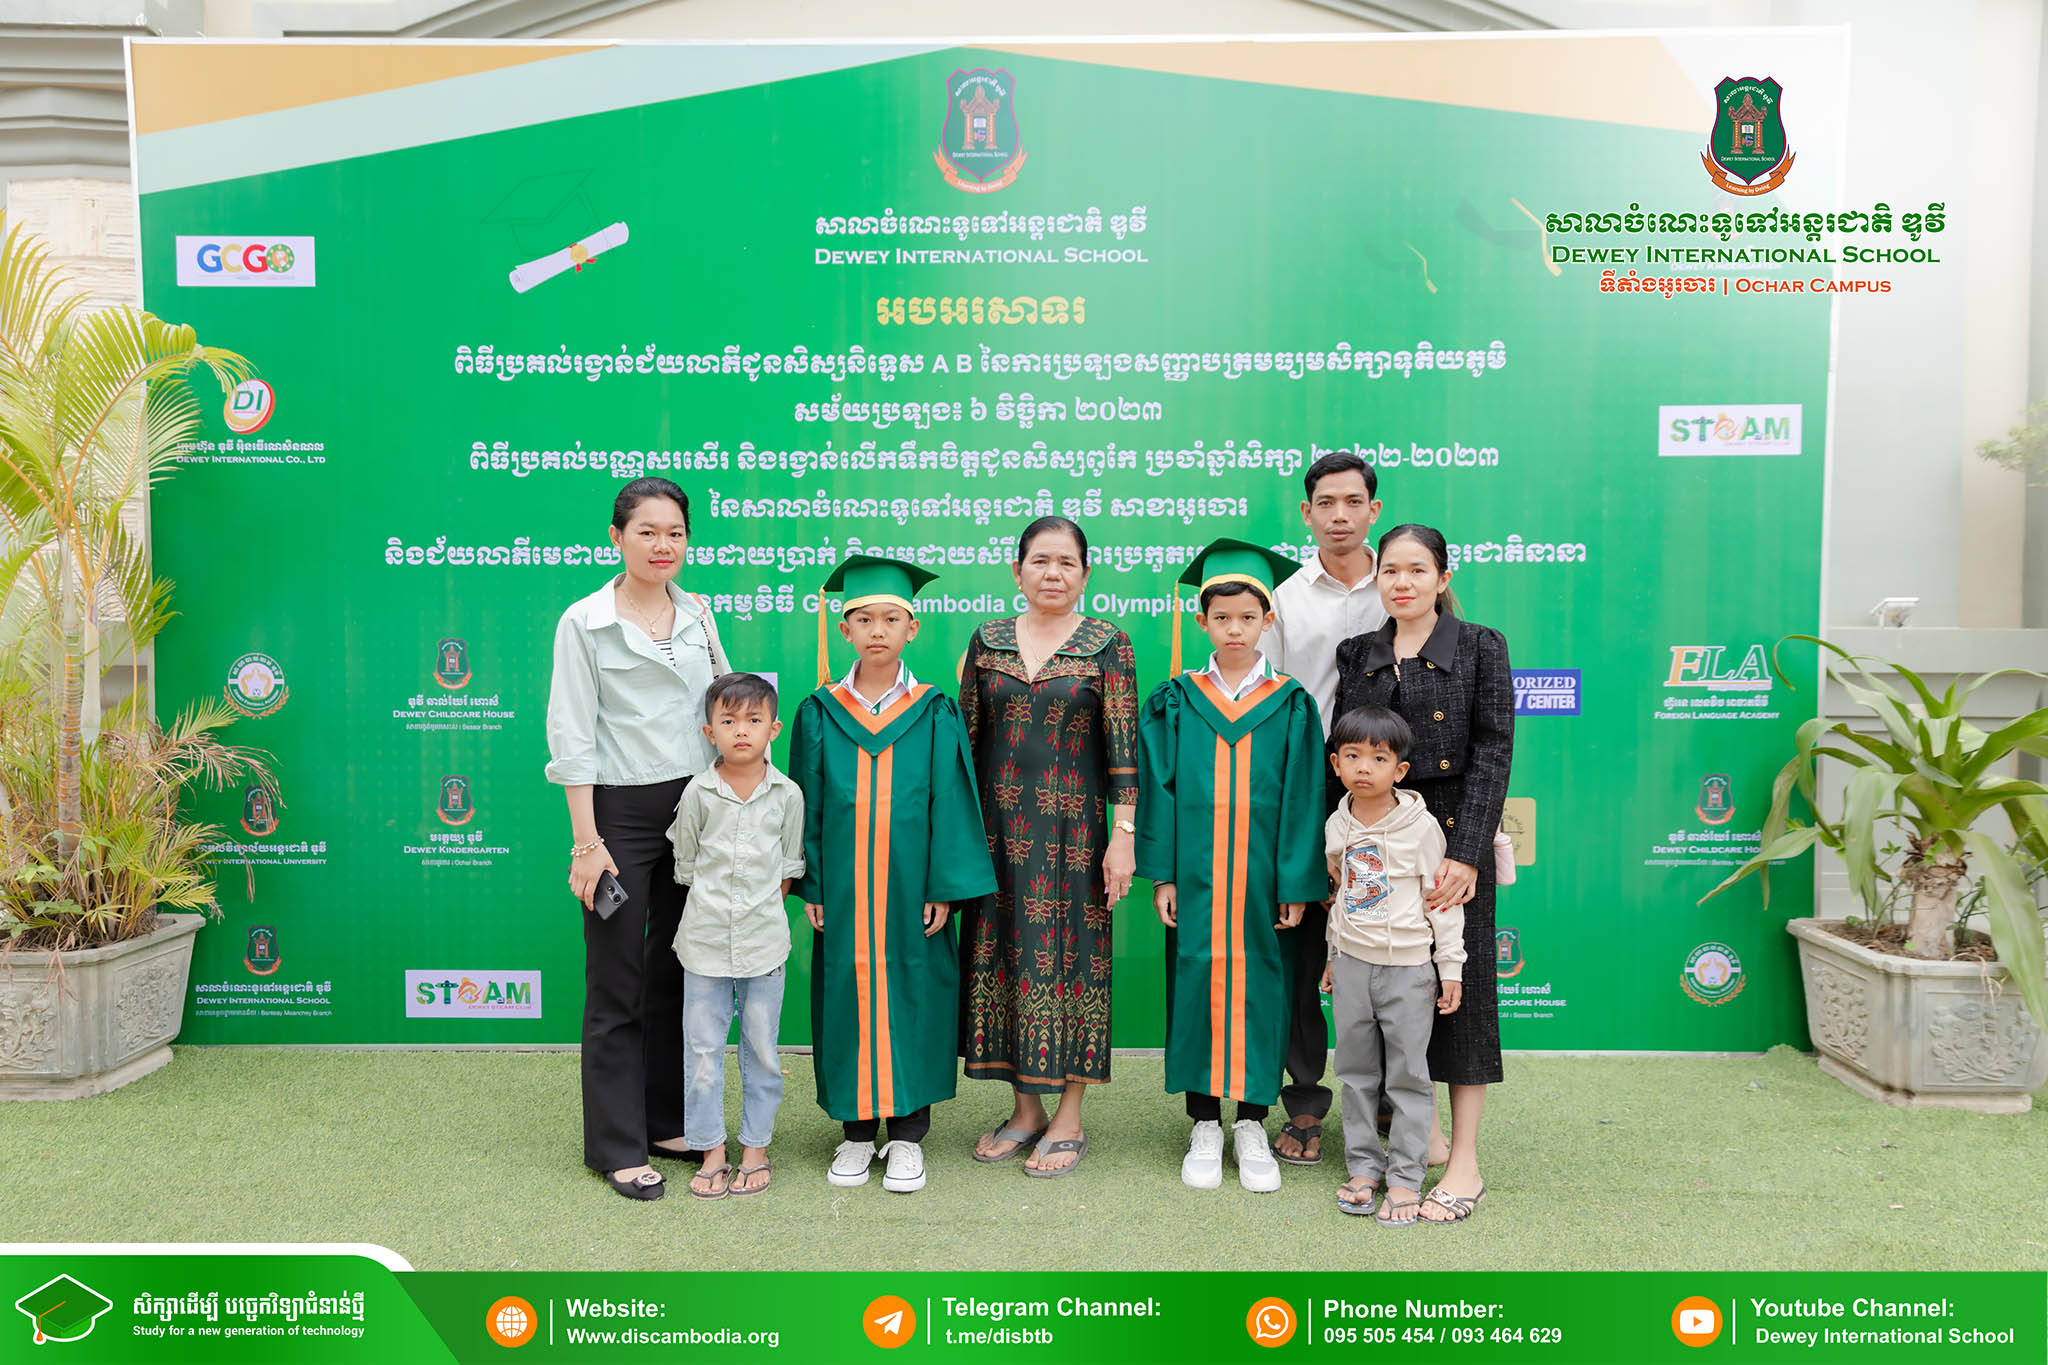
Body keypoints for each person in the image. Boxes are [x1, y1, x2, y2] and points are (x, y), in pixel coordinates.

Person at [545, 476, 729, 1200]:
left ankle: (664, 1121)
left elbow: (724, 705)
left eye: (675, 532)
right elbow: (571, 734)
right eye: (647, 531)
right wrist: (586, 842)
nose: (662, 545)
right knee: (616, 981)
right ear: (616, 538)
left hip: (696, 810)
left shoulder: (699, 613)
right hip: (617, 816)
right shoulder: (584, 622)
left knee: (679, 972)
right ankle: (616, 1144)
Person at [789, 554, 997, 1194]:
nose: (876, 629)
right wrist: (813, 884)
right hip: (845, 889)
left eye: (890, 618)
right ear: (844, 629)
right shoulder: (820, 711)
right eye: (863, 619)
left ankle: (907, 1135)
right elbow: (806, 803)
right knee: (845, 997)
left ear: (913, 628)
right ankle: (855, 1134)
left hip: (913, 890)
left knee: (917, 996)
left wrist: (944, 888)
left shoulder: (933, 710)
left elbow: (951, 803)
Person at [1332, 524, 1513, 1222]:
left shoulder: (1481, 645)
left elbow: (1493, 750)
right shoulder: (1359, 652)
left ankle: (1464, 1161)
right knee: (1398, 998)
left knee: (1460, 996)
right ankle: (1423, 1135)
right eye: (1390, 570)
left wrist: (1466, 852)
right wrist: (1342, 853)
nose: (1402, 582)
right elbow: (1347, 750)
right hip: (1374, 845)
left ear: (1443, 576)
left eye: (1416, 569)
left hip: (1450, 841)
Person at [1135, 539, 1328, 1193]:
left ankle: (1250, 1121)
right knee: (1195, 984)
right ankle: (1203, 1123)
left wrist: (1296, 881)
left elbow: (1303, 797)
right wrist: (1163, 873)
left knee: (1262, 992)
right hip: (1195, 879)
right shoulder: (1176, 700)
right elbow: (1159, 789)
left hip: (1261, 882)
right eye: (1222, 617)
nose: (1235, 628)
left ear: (1267, 620)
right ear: (1202, 622)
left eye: (1248, 617)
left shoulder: (1291, 703)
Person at [958, 517, 1138, 1178]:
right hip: (997, 834)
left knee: (1075, 965)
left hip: (1077, 839)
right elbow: (965, 743)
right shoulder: (988, 641)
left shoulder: (1108, 643)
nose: (1052, 573)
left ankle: (1069, 1117)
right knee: (1006, 959)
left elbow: (1124, 749)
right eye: (1039, 561)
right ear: (1018, 570)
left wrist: (1123, 838)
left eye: (1066, 562)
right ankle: (1026, 1109)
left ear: (1085, 573)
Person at [1265, 449, 1387, 1166]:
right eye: (1325, 504)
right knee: (1303, 947)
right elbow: (1271, 701)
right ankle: (1305, 1101)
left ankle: (1391, 1101)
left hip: (1392, 789)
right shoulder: (1283, 599)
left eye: (1353, 502)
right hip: (1308, 784)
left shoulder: (1401, 583)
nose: (1339, 516)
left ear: (1374, 509)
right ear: (1306, 513)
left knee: (1390, 949)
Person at [1319, 705, 1464, 1226]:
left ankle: (1405, 1178)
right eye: (1353, 755)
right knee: (1355, 1074)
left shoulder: (1420, 828)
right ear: (1336, 763)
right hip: (1351, 966)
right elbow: (1341, 895)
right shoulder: (1336, 824)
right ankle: (1363, 1167)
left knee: (1408, 1077)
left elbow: (1443, 903)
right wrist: (1333, 956)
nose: (1364, 767)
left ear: (1399, 770)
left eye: (1378, 758)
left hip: (1408, 970)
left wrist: (1451, 968)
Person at [666, 672, 804, 1200]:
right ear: (710, 732)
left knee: (762, 1050)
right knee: (702, 1053)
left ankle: (755, 1149)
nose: (741, 730)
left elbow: (789, 867)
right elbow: (685, 866)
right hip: (703, 945)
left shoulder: (788, 795)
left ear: (773, 728)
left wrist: (757, 910)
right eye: (728, 721)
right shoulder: (697, 793)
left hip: (764, 945)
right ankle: (711, 1152)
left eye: (753, 720)